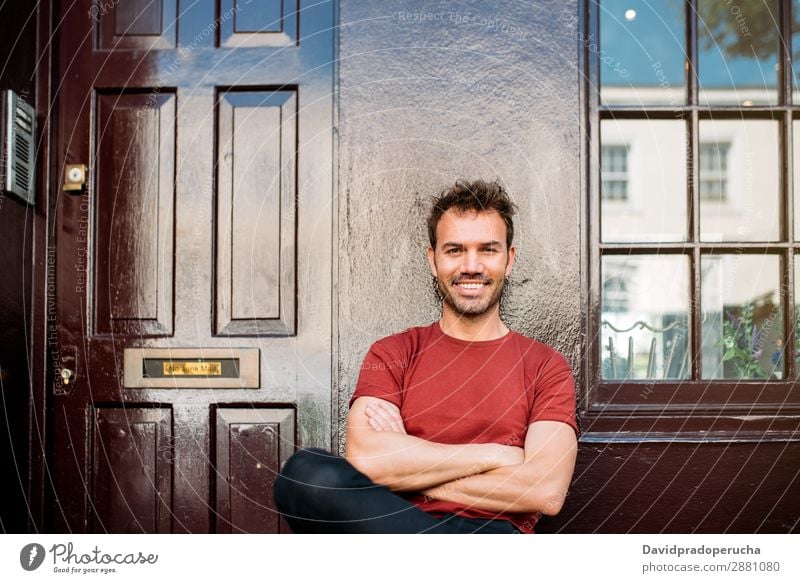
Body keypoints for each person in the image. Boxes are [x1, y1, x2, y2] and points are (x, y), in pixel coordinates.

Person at [273, 179, 579, 533]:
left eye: (488, 250)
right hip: (392, 528)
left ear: (509, 260)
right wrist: (495, 455)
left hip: (488, 540)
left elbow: (545, 491)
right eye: (454, 250)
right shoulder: (392, 353)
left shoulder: (545, 366)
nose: (471, 265)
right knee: (307, 474)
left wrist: (410, 466)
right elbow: (369, 461)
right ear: (432, 260)